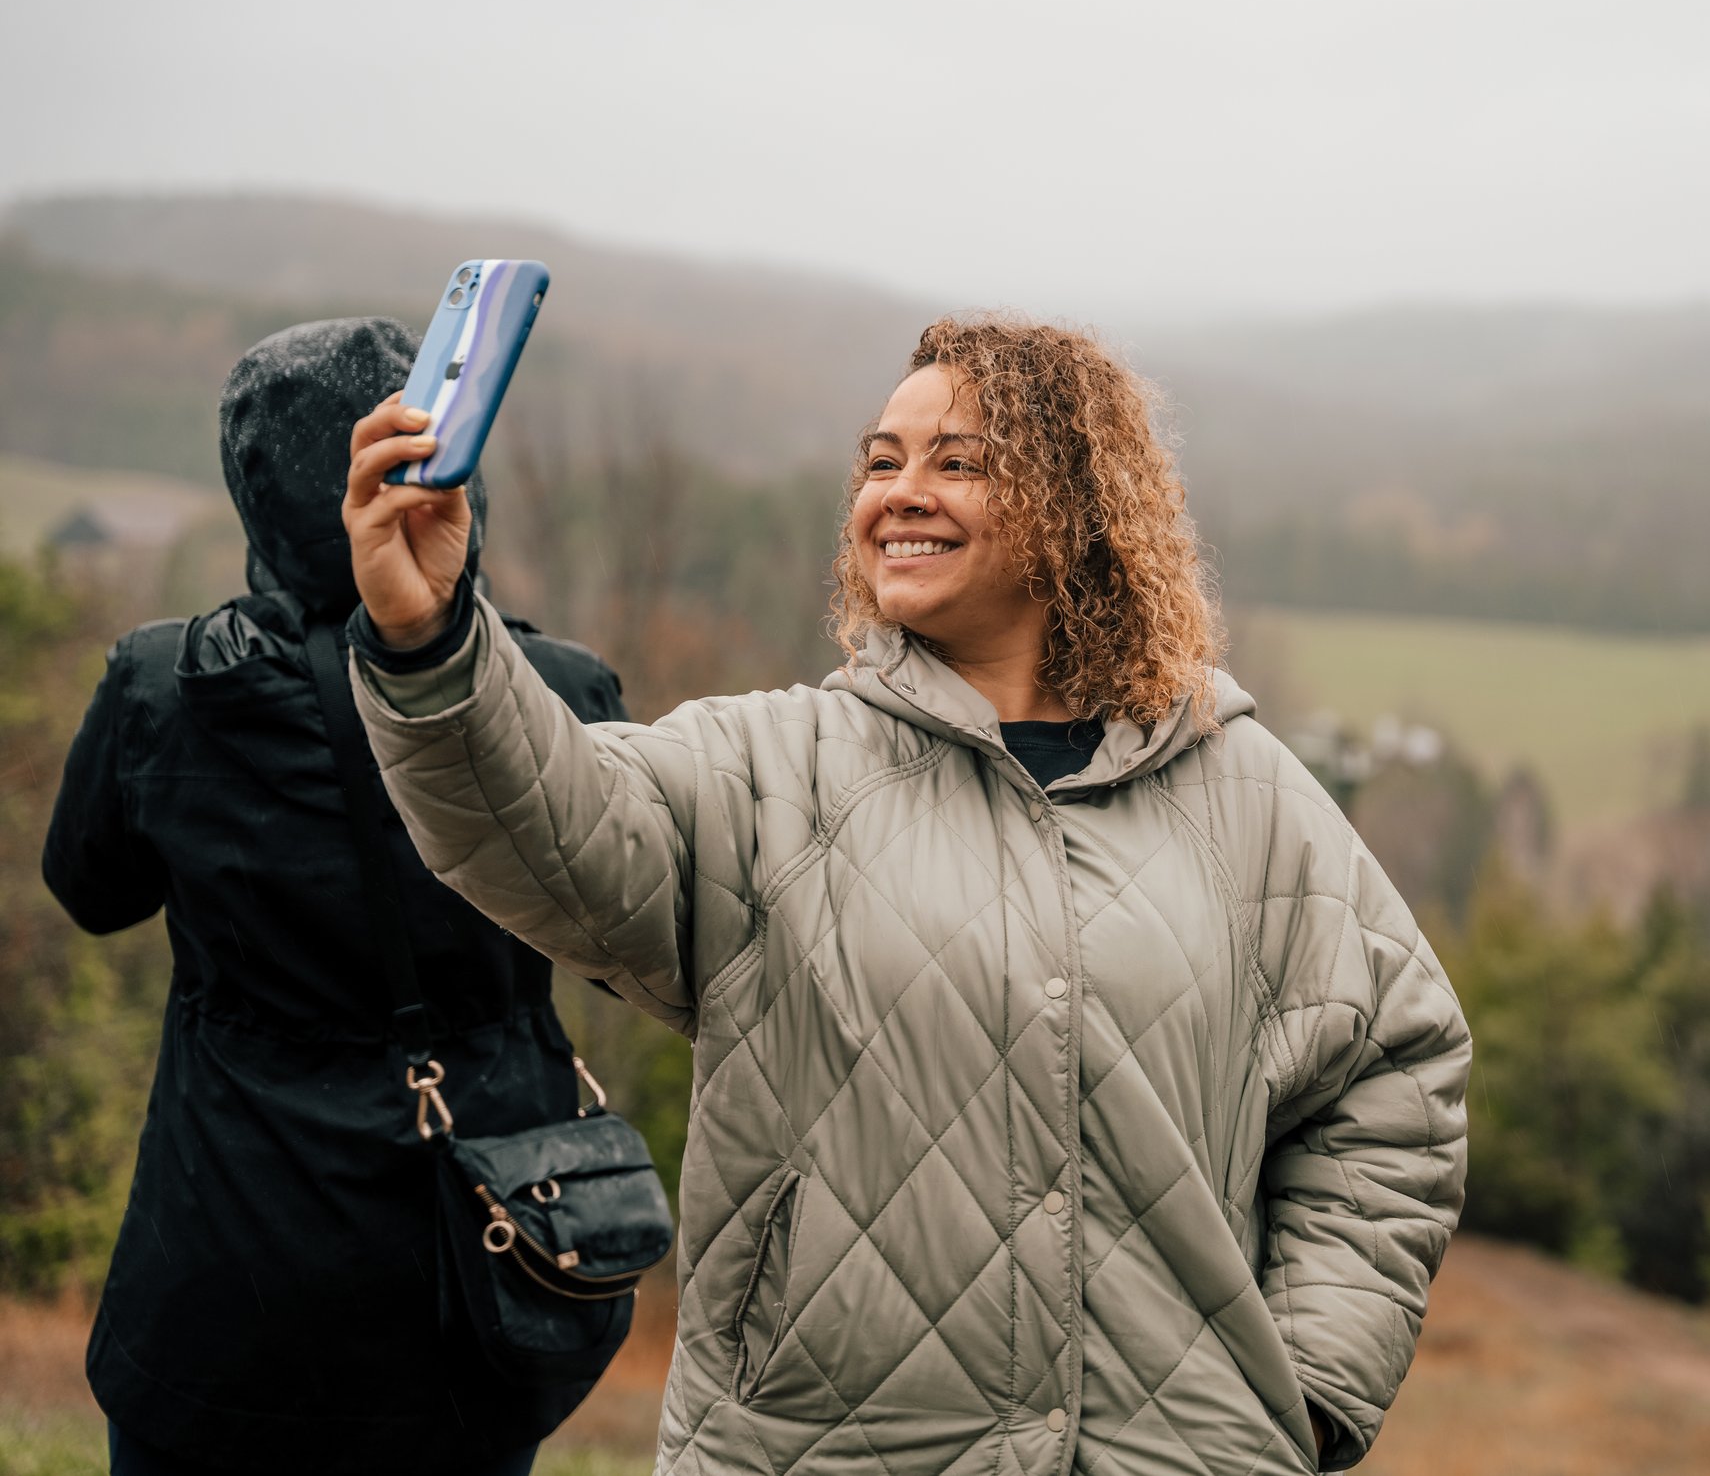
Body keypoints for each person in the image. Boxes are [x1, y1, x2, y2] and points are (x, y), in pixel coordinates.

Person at [341, 316, 1471, 1475]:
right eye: (881, 460)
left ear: (1077, 505)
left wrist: (1310, 1385)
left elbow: (1392, 1075)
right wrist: (430, 640)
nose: (901, 492)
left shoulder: (1242, 789)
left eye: (958, 461)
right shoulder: (775, 767)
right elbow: (543, 814)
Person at [43, 318, 631, 1476]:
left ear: (254, 480)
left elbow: (91, 889)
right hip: (487, 1261)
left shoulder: (166, 684)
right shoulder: (559, 686)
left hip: (224, 1274)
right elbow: (625, 934)